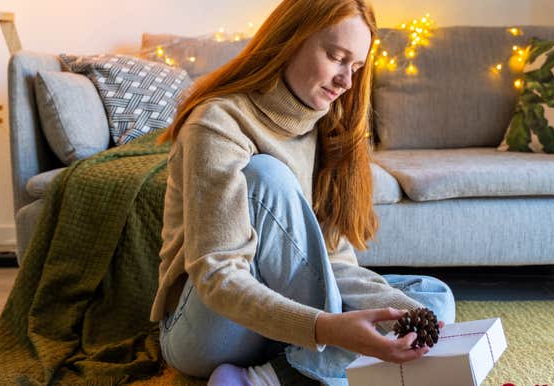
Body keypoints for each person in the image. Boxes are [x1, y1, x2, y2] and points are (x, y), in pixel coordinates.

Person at [150, 0, 455, 384]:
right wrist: (330, 328)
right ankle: (317, 369)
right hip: (209, 328)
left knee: (431, 299)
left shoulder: (330, 127)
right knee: (267, 175)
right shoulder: (218, 121)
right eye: (336, 57)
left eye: (356, 67)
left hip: (288, 322)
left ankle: (271, 376)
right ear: (290, 41)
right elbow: (219, 275)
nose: (346, 81)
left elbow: (331, 260)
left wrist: (404, 315)